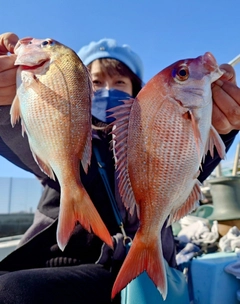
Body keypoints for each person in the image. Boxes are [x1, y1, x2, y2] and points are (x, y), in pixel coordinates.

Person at [0, 32, 239, 304]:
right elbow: (16, 131)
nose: (106, 89)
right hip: (62, 263)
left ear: (136, 90)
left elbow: (188, 165)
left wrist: (225, 129)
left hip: (144, 269)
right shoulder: (64, 126)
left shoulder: (156, 123)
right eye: (96, 82)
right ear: (78, 88)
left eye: (119, 81)